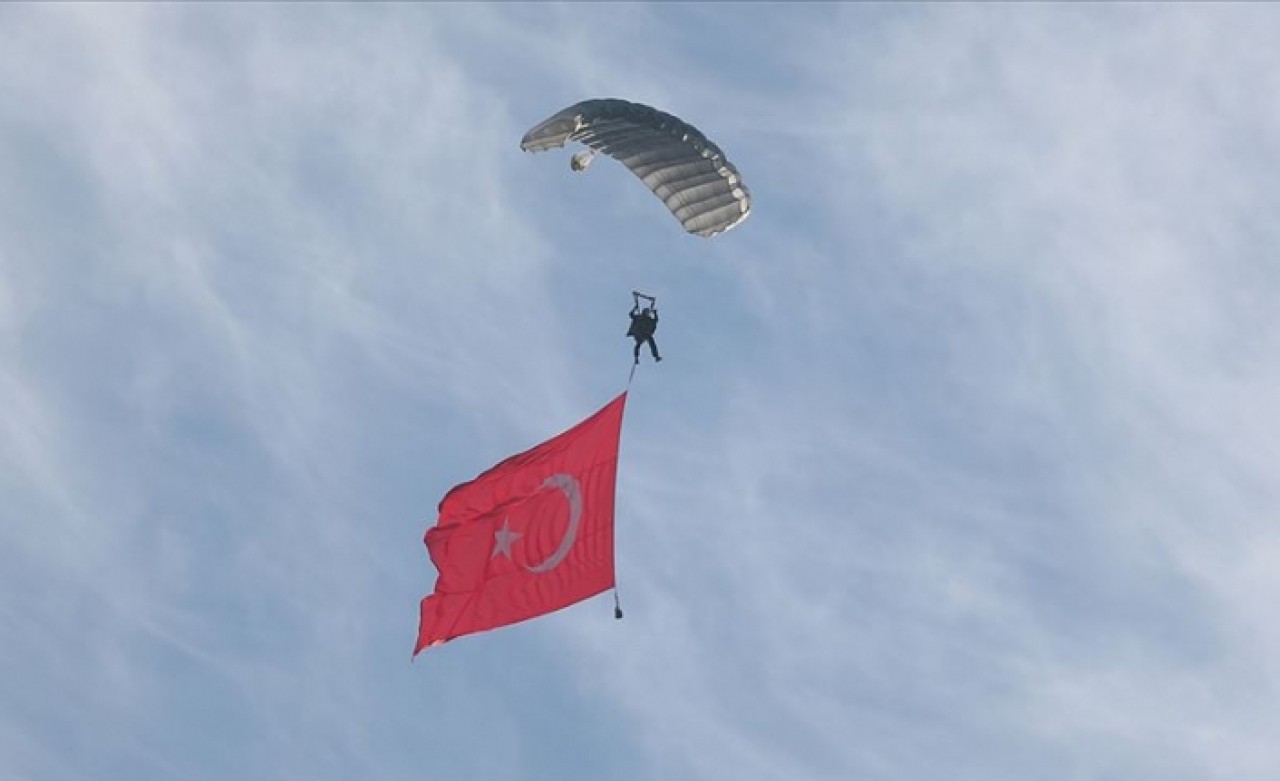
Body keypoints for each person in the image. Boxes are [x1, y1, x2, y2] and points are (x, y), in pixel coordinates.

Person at [627, 299, 661, 364]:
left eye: (647, 312)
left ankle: (656, 356)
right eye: (646, 312)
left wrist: (655, 313)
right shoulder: (639, 317)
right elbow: (631, 314)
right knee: (638, 344)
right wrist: (635, 308)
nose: (647, 313)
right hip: (639, 333)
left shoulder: (649, 319)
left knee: (649, 341)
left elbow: (656, 320)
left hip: (644, 334)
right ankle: (636, 358)